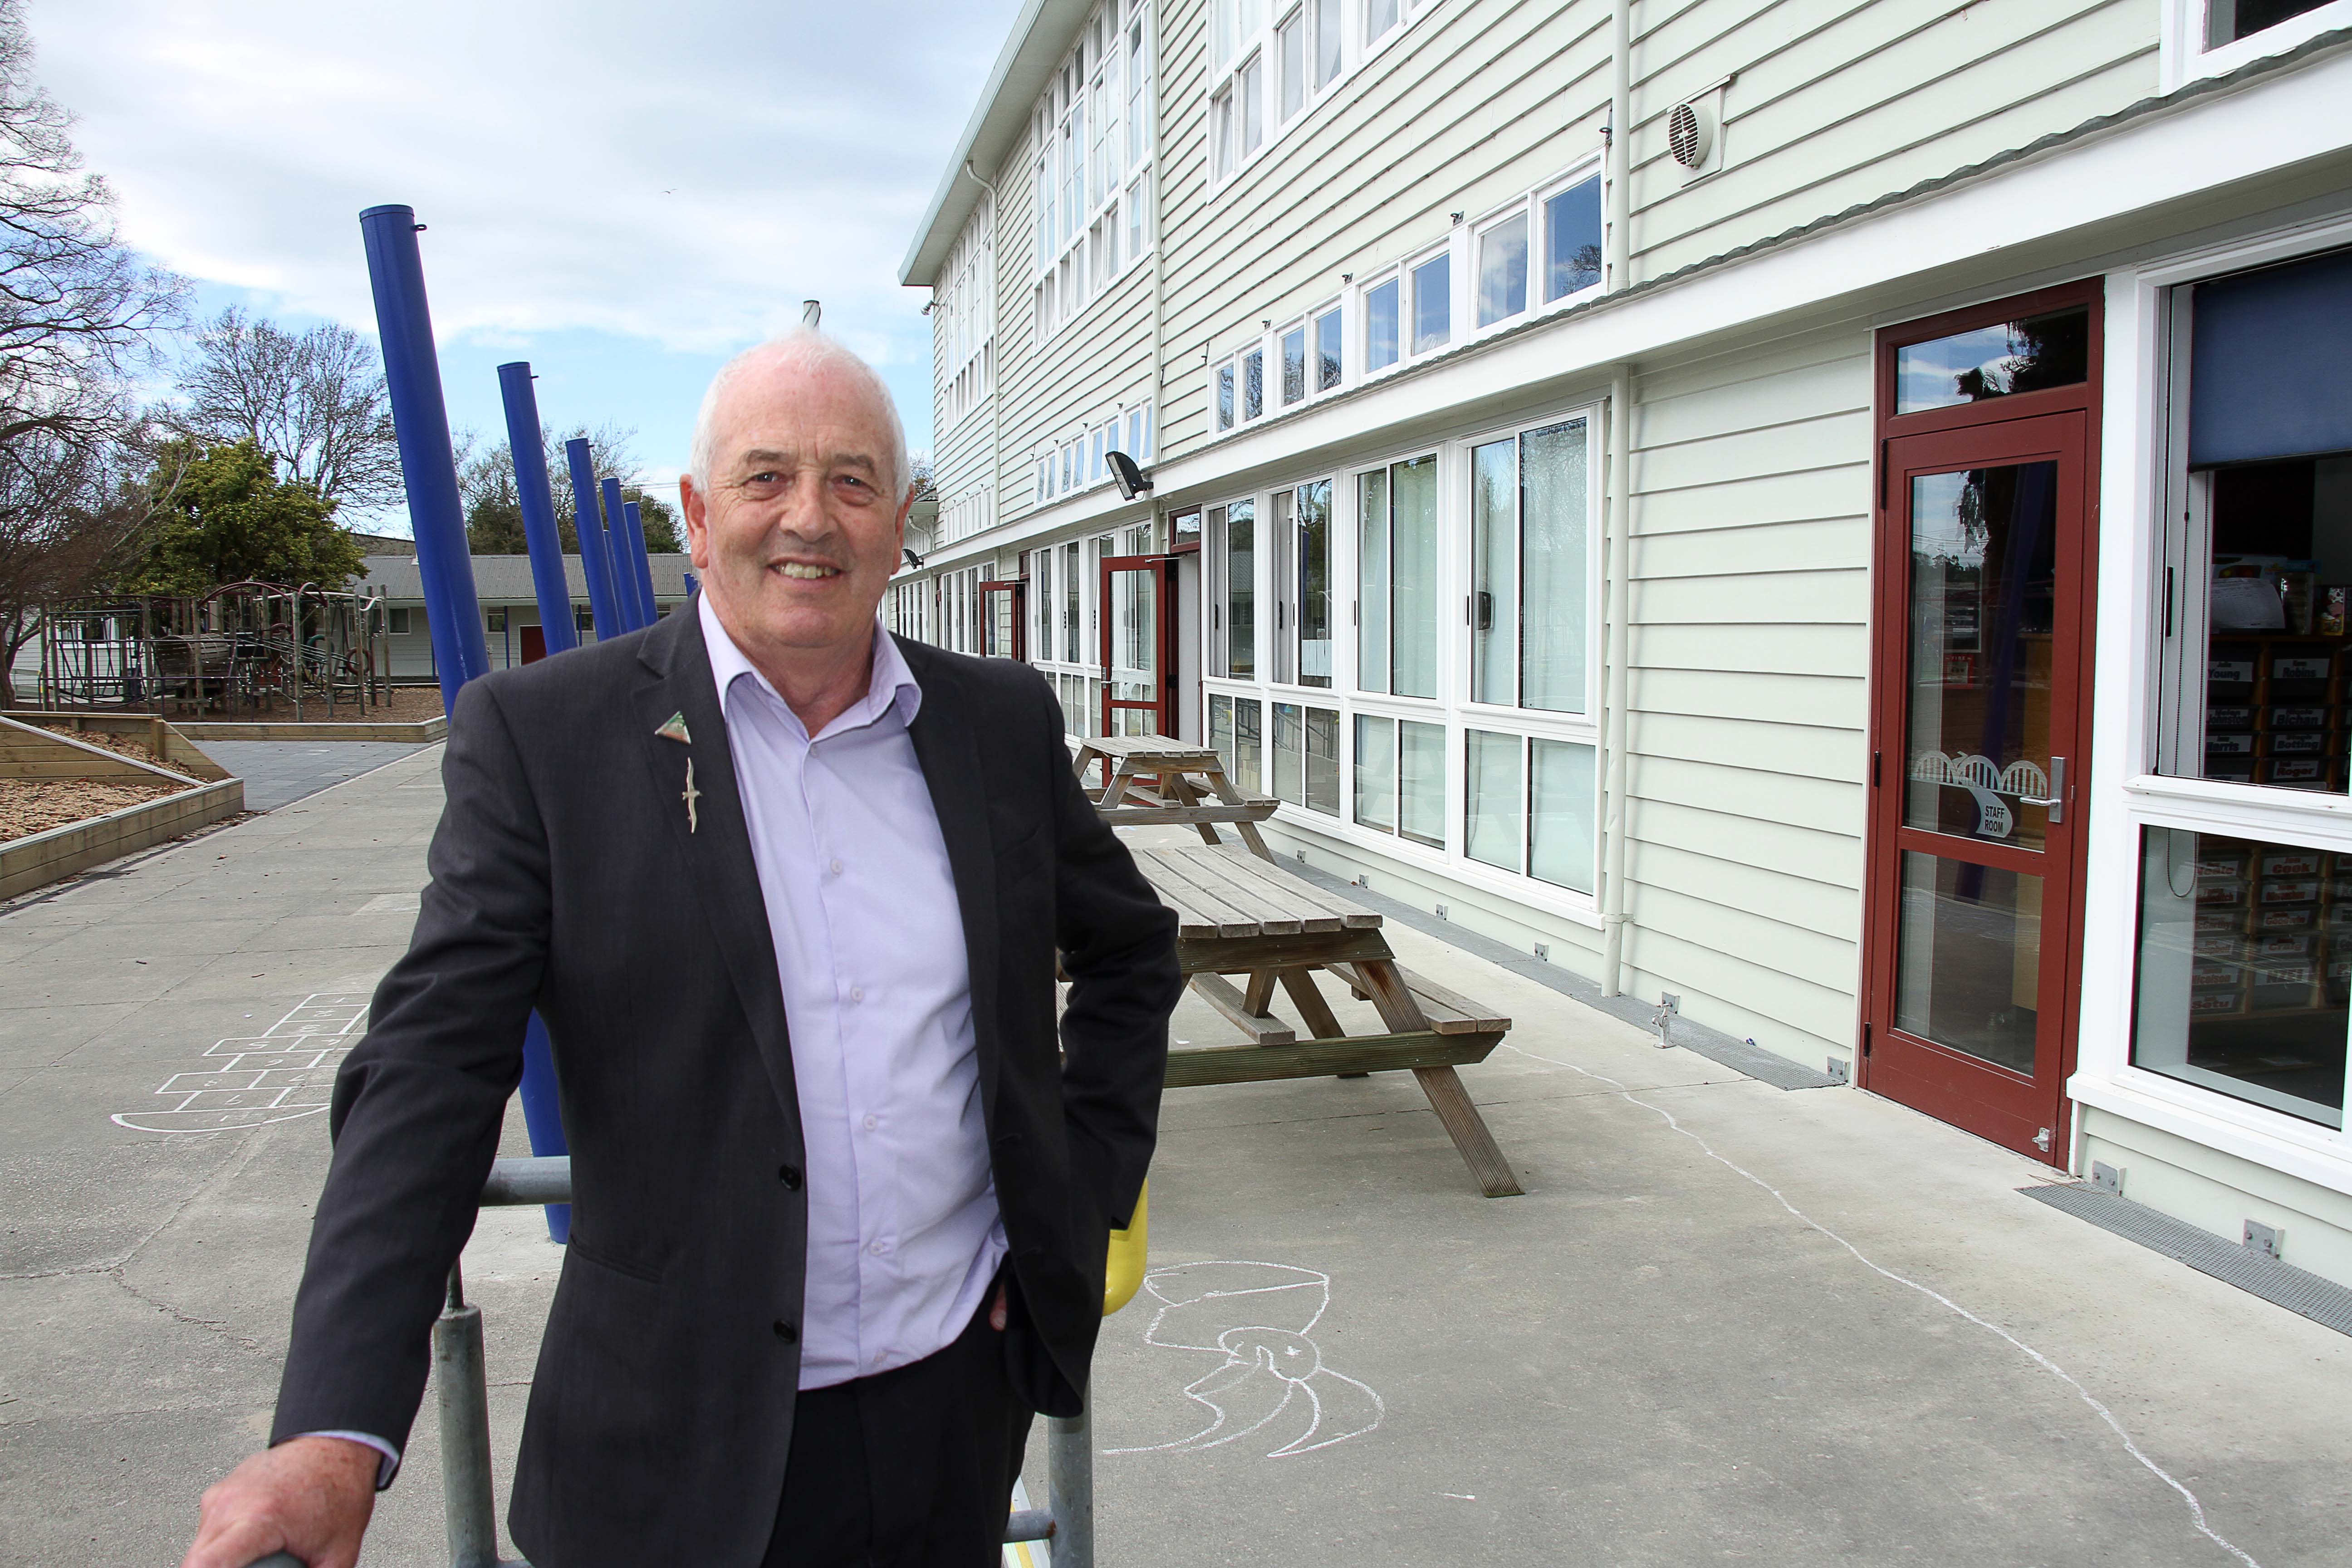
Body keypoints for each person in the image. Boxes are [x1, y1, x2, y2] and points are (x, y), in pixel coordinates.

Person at [181, 333, 1182, 1568]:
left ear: (900, 520)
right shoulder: (546, 739)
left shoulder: (997, 722)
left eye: (853, 481)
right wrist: (331, 1432)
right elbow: (429, 1074)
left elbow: (1134, 955)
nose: (809, 518)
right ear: (699, 520)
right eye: (767, 479)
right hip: (663, 1464)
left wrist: (1069, 1210)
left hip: (948, 1426)